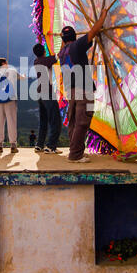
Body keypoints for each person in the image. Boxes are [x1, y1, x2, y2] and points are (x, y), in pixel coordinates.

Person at [58, 10, 107, 162]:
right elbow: (93, 31)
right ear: (74, 37)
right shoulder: (77, 46)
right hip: (83, 89)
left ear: (63, 39)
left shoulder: (61, 53)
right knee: (82, 121)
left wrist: (63, 38)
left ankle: (76, 150)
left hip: (71, 91)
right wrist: (103, 16)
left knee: (73, 122)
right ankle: (75, 155)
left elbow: (65, 42)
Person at [0, 57, 25, 154]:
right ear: (4, 63)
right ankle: (13, 145)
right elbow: (22, 78)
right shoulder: (12, 71)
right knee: (11, 121)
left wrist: (0, 92)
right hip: (11, 100)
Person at [33, 43, 62, 154]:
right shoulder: (46, 60)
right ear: (44, 52)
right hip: (48, 93)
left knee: (43, 120)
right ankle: (51, 146)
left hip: (40, 92)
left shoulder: (36, 61)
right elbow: (60, 54)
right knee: (55, 120)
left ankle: (39, 144)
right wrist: (62, 40)